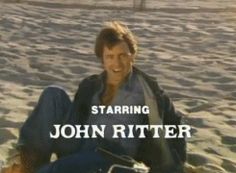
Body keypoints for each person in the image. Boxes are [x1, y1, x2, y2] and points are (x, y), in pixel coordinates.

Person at [12, 21, 186, 173]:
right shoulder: (91, 85)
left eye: (122, 55)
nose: (116, 63)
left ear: (132, 55)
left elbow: (175, 123)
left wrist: (174, 166)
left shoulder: (148, 90)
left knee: (58, 169)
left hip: (112, 154)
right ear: (102, 60)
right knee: (53, 94)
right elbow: (77, 116)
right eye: (110, 56)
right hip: (81, 141)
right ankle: (31, 161)